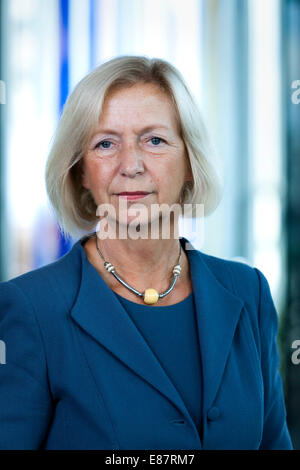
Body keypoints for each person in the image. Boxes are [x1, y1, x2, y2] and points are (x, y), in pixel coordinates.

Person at [0, 56, 293, 450]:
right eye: (105, 143)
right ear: (81, 171)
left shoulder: (247, 292)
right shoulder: (31, 308)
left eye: (154, 140)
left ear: (190, 161)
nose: (130, 165)